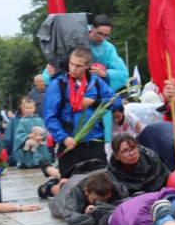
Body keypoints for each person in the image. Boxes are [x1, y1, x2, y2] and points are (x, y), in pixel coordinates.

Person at [43, 47, 123, 178]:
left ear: (87, 66)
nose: (73, 69)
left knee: (101, 186)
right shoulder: (59, 84)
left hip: (95, 143)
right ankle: (49, 183)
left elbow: (117, 102)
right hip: (70, 144)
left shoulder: (96, 82)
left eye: (78, 66)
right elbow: (49, 117)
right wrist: (63, 137)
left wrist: (94, 102)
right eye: (71, 64)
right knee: (70, 188)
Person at [45, 14, 129, 92]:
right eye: (99, 33)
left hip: (92, 88)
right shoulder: (75, 37)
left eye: (106, 35)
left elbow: (123, 73)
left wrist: (104, 73)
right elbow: (59, 57)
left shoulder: (108, 48)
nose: (102, 38)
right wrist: (52, 69)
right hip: (70, 86)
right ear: (92, 28)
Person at [4, 97, 52, 169]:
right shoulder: (22, 121)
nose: (29, 110)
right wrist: (28, 136)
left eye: (31, 107)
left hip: (40, 146)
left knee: (42, 163)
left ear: (34, 108)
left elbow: (44, 131)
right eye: (27, 108)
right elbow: (18, 134)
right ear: (23, 108)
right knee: (28, 159)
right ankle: (28, 163)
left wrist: (42, 137)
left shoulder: (39, 120)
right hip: (29, 146)